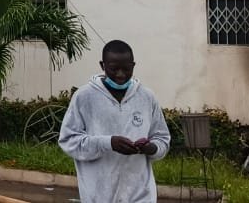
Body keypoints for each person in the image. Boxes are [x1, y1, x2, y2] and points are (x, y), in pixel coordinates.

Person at [59, 40, 171, 203]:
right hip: (98, 196)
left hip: (140, 196)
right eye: (113, 68)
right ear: (102, 65)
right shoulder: (84, 97)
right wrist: (108, 143)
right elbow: (68, 141)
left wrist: (151, 148)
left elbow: (162, 139)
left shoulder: (147, 97)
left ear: (133, 65)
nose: (120, 75)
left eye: (126, 69)